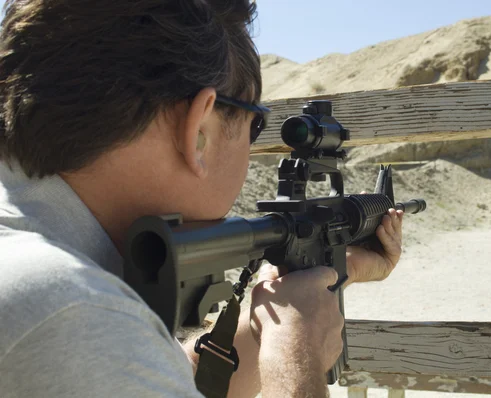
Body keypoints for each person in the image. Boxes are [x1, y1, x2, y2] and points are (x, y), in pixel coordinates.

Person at [0, 0, 404, 397]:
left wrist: (284, 321)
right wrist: (298, 360)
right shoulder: (79, 313)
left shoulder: (49, 273)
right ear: (199, 130)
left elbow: (164, 376)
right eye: (254, 124)